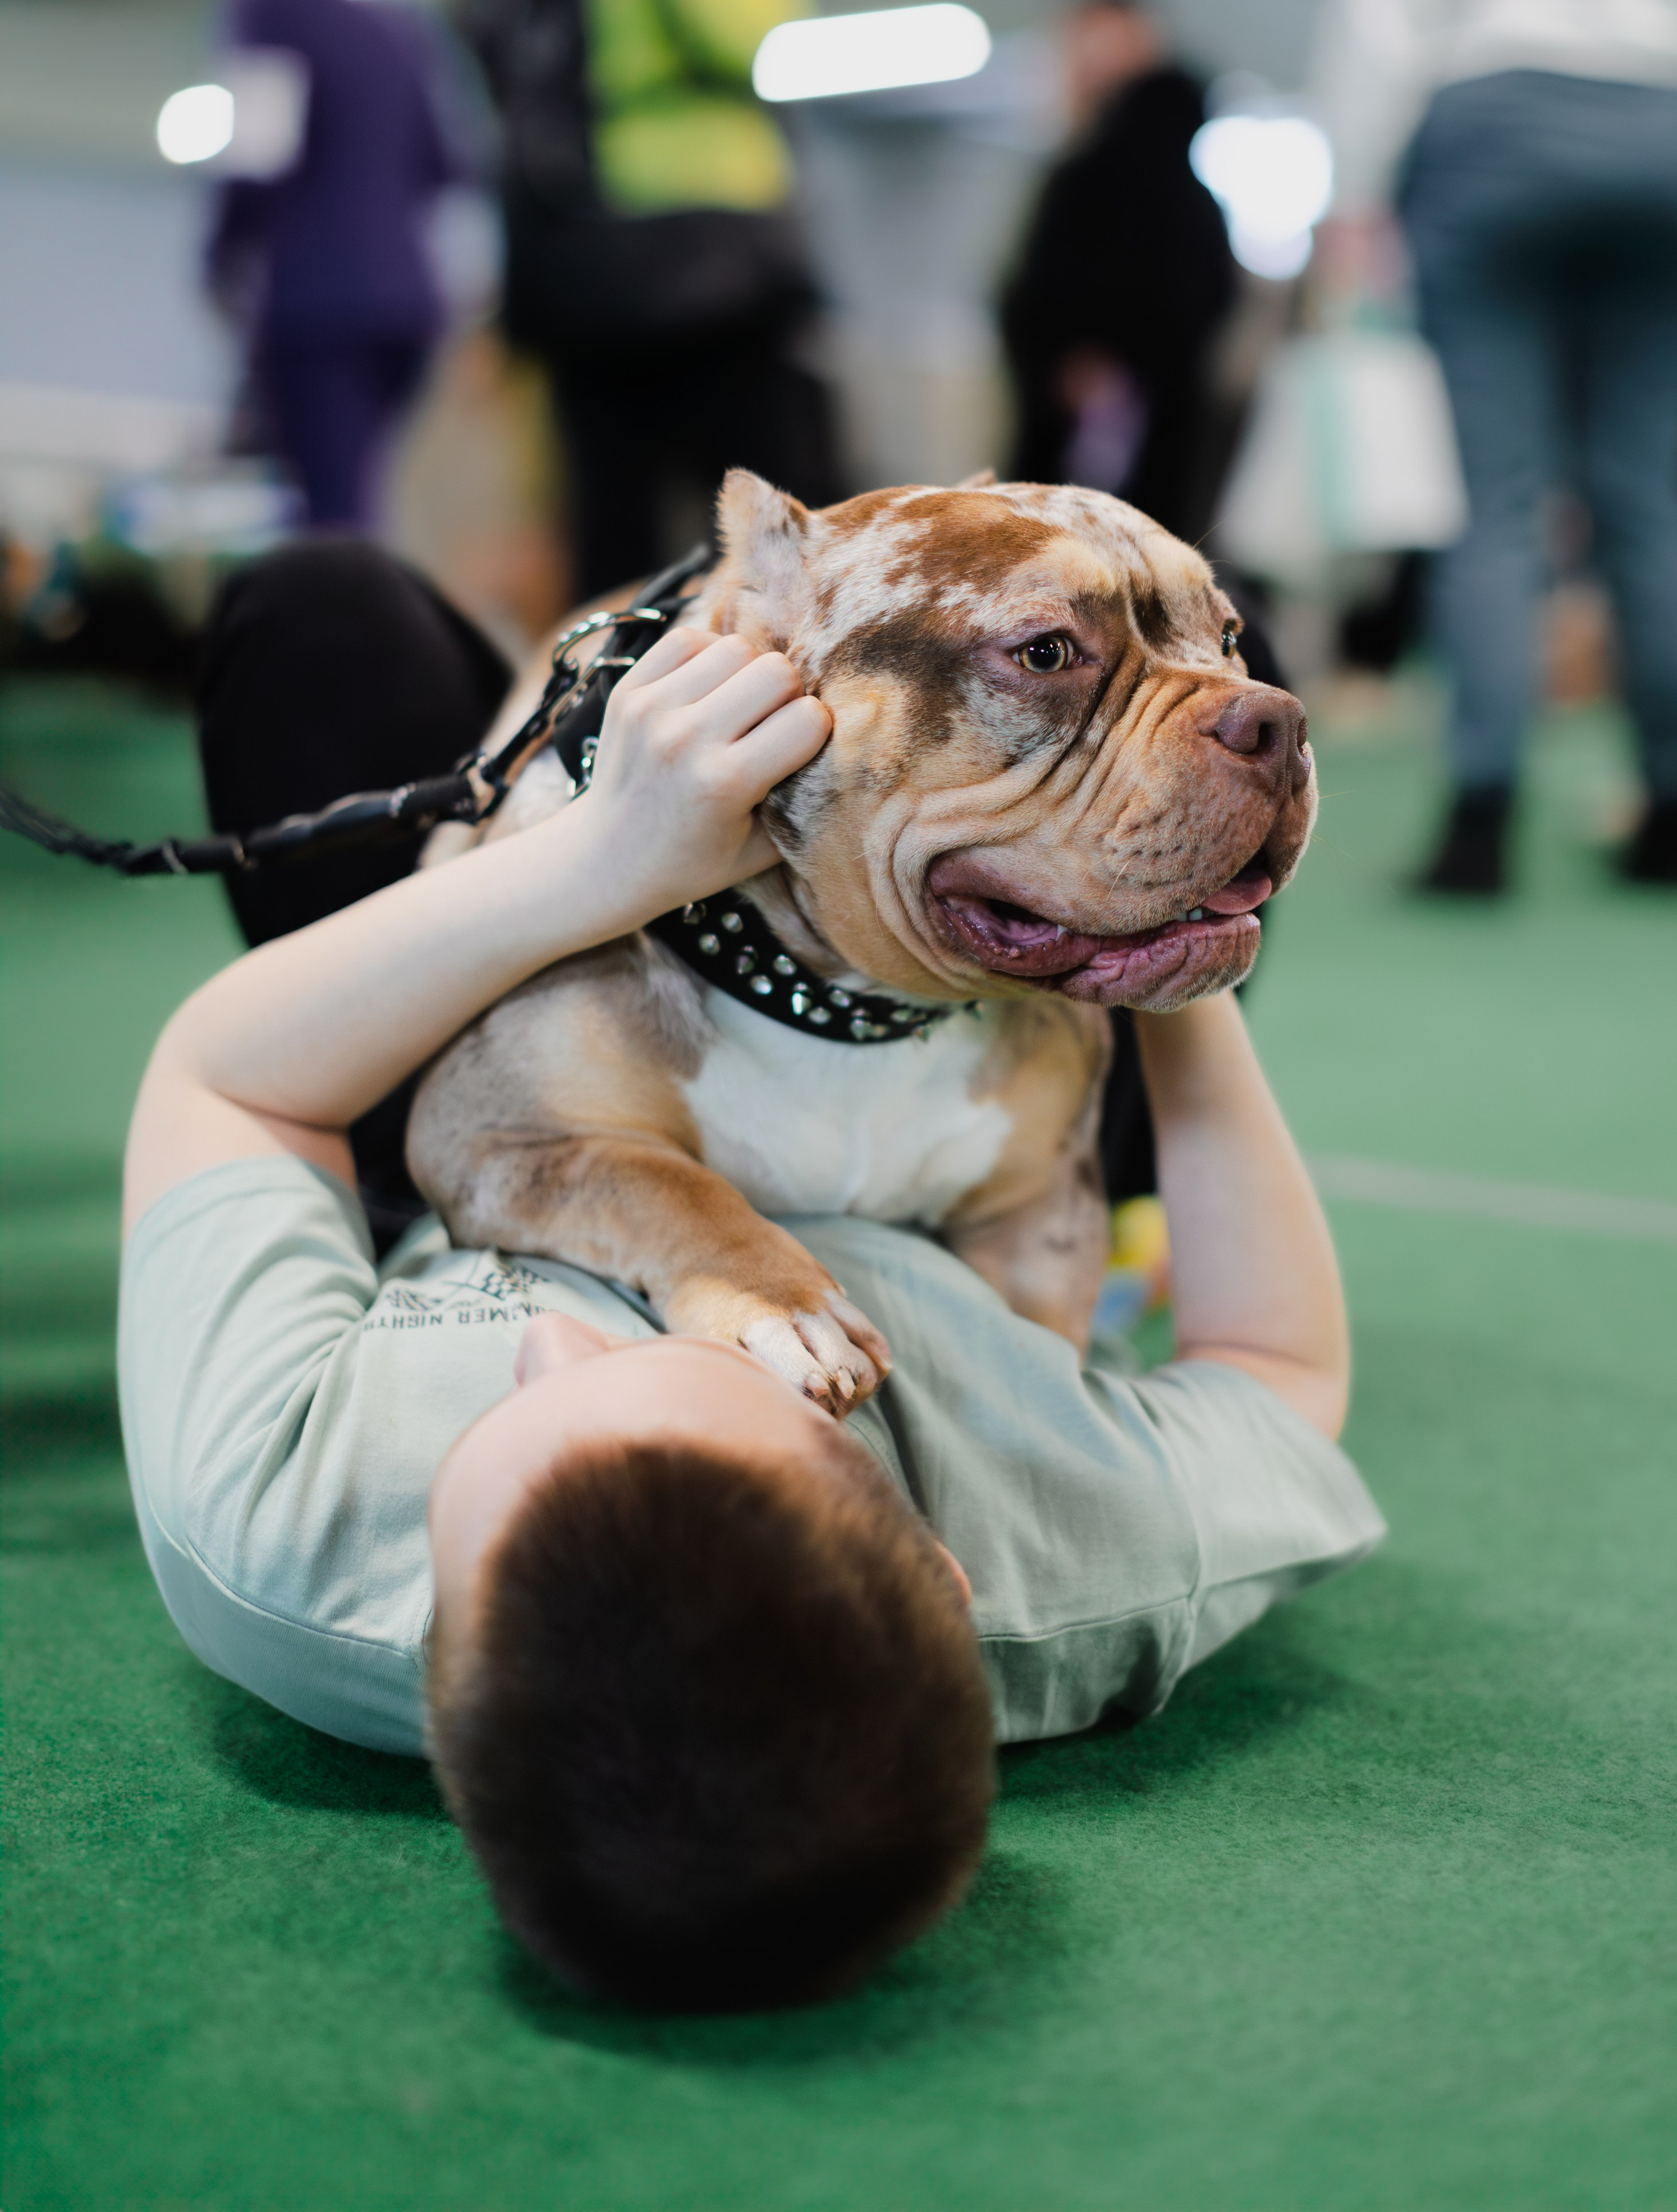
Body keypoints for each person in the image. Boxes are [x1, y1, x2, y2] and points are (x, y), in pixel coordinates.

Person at [121, 541, 1382, 2013]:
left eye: (501, 1410)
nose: (553, 1352)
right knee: (1191, 718)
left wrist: (593, 867)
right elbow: (1278, 1369)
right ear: (941, 1567)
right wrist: (1162, 942)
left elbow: (234, 1084)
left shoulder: (277, 1536)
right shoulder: (1078, 1550)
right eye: (755, 1397)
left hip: (511, 1103)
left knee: (316, 616)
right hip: (995, 1117)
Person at [1311, 0, 1677, 892]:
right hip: (1664, 135)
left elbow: (1379, 7)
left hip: (1493, 133)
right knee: (1653, 503)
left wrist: (1352, 197)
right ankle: (1669, 811)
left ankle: (1481, 819)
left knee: (1491, 504)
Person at [466, 0, 842, 600]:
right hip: (708, 254)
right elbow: (752, 31)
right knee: (786, 535)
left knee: (614, 542)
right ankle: (809, 705)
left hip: (580, 264)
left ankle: (616, 706)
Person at [196, 0, 459, 528]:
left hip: (320, 308)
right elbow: (443, 163)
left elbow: (258, 155)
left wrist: (218, 260)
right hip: (407, 309)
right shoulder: (397, 29)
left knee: (329, 520)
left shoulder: (267, 2)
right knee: (361, 503)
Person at [1000, 0, 1236, 543]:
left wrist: (1069, 357)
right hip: (1155, 452)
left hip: (1095, 438)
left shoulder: (1104, 172)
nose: (1075, 65)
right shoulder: (1183, 177)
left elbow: (1066, 289)